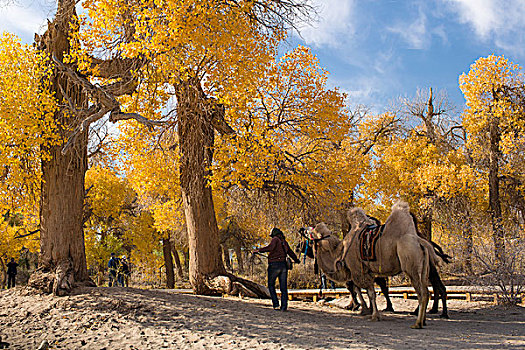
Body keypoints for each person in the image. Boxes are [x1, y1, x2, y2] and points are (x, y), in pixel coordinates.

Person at [253, 227, 300, 311]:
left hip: (274, 265)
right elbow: (290, 252)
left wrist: (258, 250)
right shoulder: (284, 242)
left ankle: (276, 304)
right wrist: (296, 260)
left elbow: (270, 248)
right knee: (283, 287)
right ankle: (284, 306)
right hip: (283, 266)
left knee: (271, 285)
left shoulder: (275, 240)